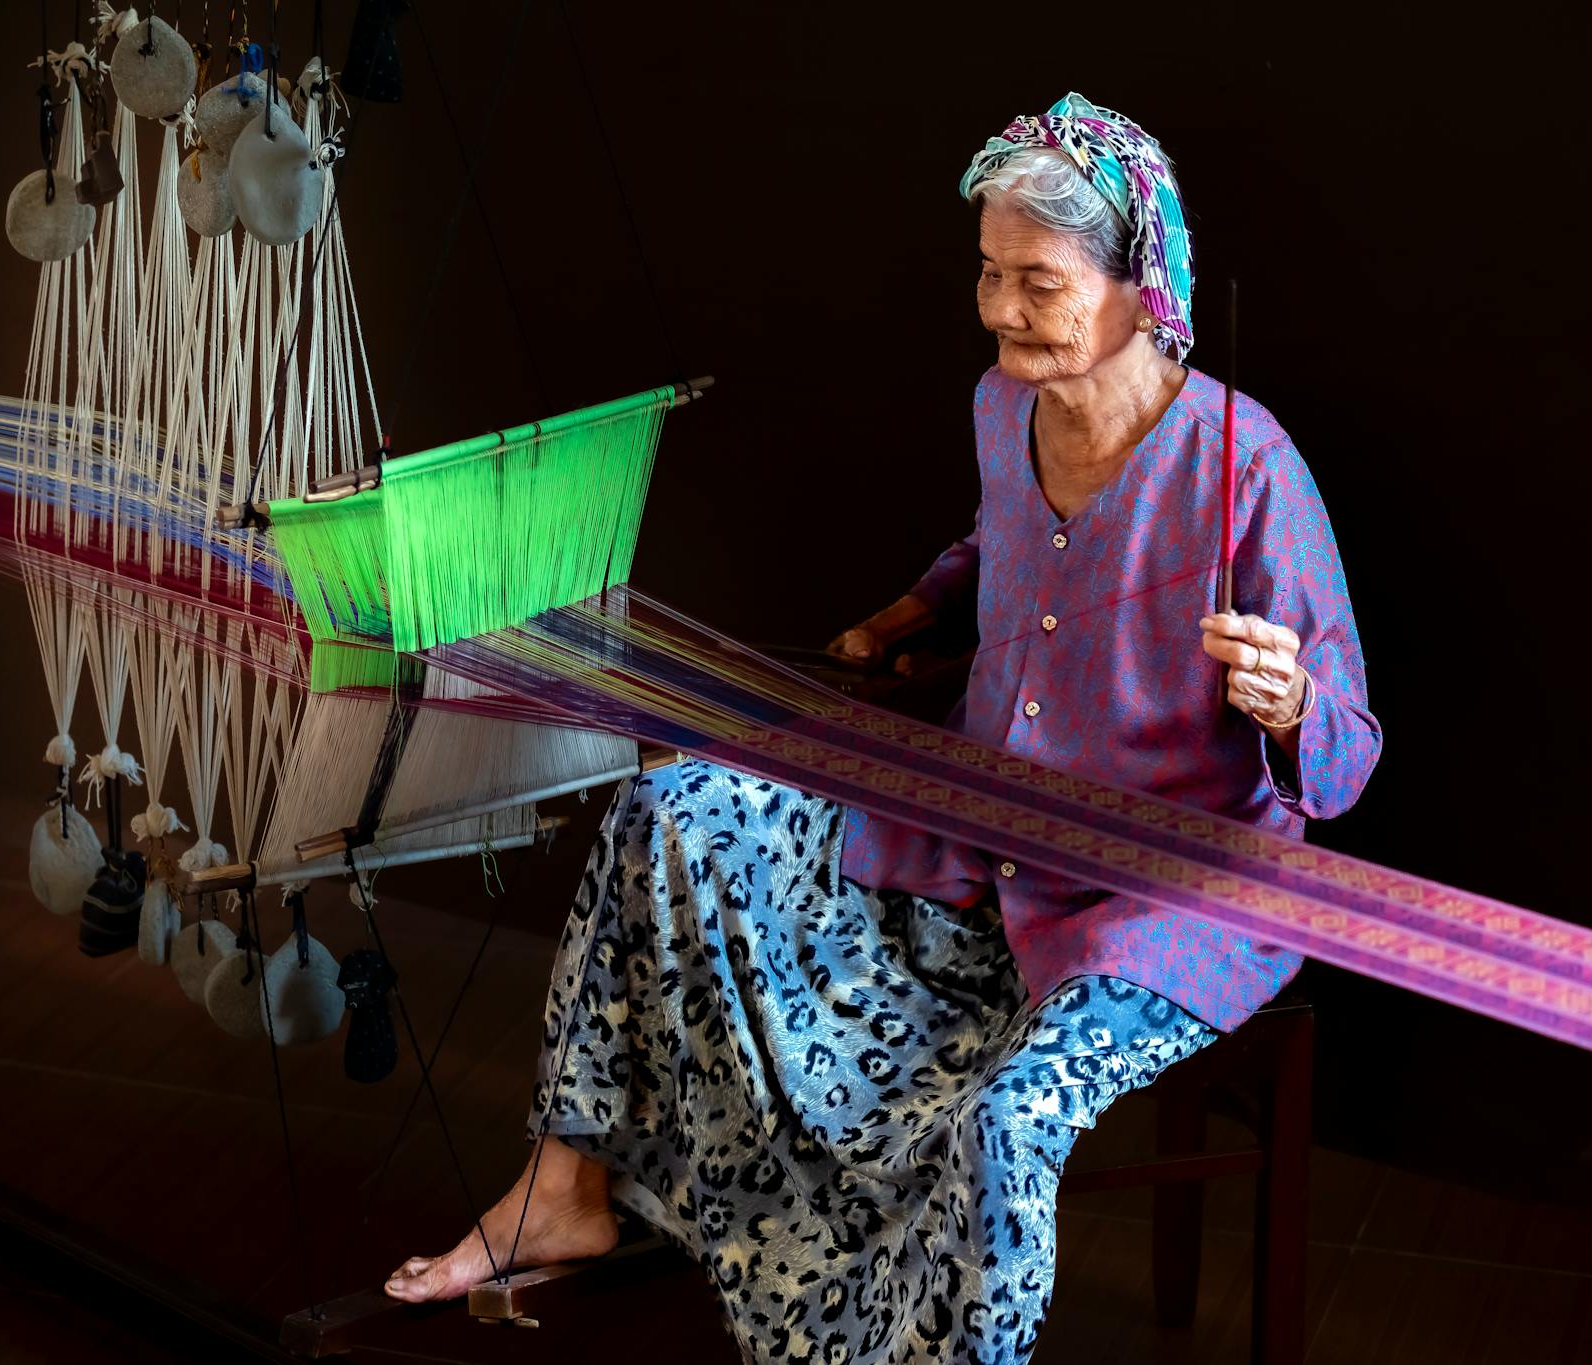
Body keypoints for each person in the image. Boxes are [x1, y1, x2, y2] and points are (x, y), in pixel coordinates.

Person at [384, 92, 1381, 1364]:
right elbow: (994, 538)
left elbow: (1344, 764)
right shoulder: (999, 407)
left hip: (1159, 904)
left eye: (1038, 281)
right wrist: (915, 606)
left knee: (1002, 1126)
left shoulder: (1248, 468)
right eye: (986, 274)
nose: (1000, 309)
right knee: (671, 808)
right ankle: (563, 1189)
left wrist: (1288, 703)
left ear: (1141, 283)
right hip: (971, 831)